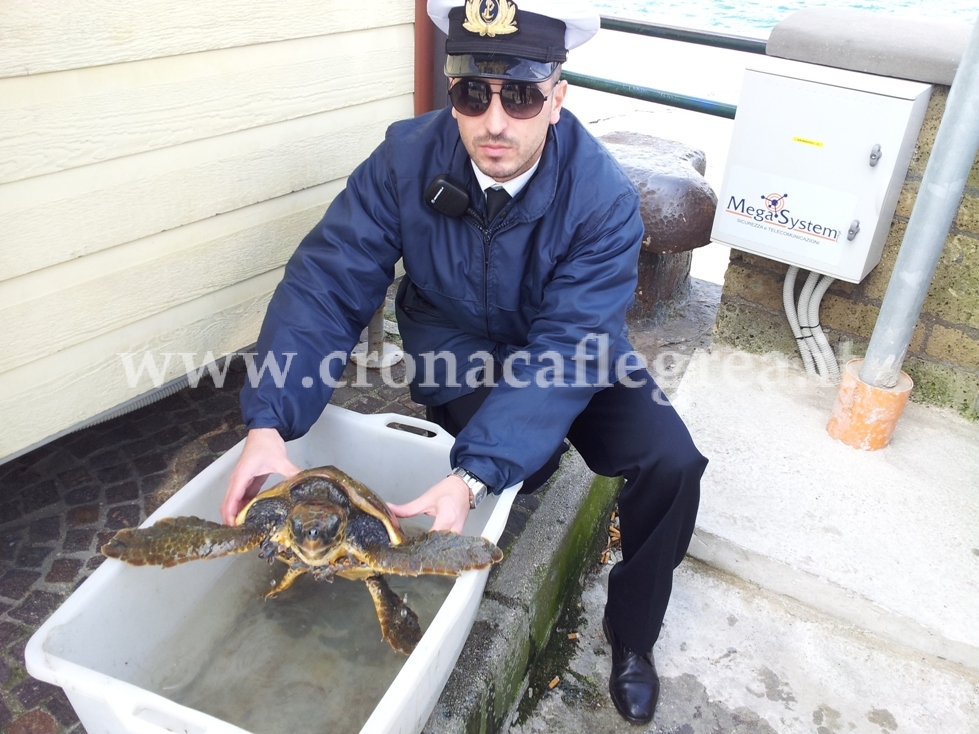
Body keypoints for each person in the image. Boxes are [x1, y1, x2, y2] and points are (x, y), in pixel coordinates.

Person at [221, 0, 707, 723]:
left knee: (671, 459)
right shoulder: (403, 159)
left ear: (558, 95)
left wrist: (475, 469)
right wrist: (269, 424)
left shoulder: (602, 196)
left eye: (520, 93)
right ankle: (491, 469)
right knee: (527, 467)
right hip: (455, 341)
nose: (494, 120)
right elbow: (326, 284)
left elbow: (569, 350)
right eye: (471, 93)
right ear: (452, 91)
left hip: (568, 340)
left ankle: (632, 633)